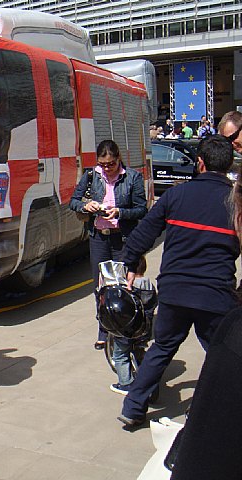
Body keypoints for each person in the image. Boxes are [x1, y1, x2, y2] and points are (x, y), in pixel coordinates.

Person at [118, 134, 240, 428]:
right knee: (221, 354)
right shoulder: (235, 203)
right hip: (216, 295)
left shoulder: (176, 196)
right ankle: (226, 412)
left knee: (162, 347)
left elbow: (143, 233)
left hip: (175, 292)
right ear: (229, 165)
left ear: (199, 163)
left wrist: (130, 264)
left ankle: (134, 407)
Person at [169, 172, 242, 479]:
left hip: (186, 295)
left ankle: (134, 402)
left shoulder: (235, 338)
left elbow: (201, 462)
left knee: (162, 347)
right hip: (208, 297)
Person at [70, 139, 147, 350]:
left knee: (124, 283)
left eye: (110, 164)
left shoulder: (132, 177)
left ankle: (126, 327)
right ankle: (104, 328)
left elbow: (142, 209)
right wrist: (87, 205)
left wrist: (120, 212)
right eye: (103, 164)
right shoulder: (91, 176)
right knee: (101, 285)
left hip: (122, 237)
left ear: (118, 159)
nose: (107, 168)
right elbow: (73, 201)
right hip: (99, 237)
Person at [110, 256, 158, 395]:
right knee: (140, 351)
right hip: (144, 329)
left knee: (119, 355)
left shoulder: (128, 288)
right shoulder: (150, 286)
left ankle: (125, 383)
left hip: (128, 332)